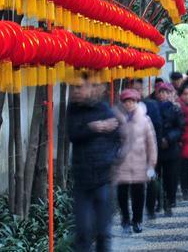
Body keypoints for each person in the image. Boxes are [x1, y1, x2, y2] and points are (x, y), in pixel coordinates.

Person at [67, 74, 121, 252]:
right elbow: (73, 135)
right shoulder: (72, 110)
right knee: (82, 230)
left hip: (102, 179)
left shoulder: (105, 110)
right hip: (82, 180)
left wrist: (111, 162)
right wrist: (93, 127)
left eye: (79, 87)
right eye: (74, 87)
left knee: (103, 232)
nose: (76, 91)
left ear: (92, 89)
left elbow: (116, 139)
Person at [112, 89, 156, 235]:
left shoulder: (145, 120)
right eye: (126, 102)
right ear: (122, 103)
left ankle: (137, 220)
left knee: (138, 193)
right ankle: (125, 219)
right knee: (122, 194)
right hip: (122, 162)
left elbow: (151, 143)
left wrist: (151, 164)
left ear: (137, 102)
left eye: (132, 101)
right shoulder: (116, 119)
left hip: (139, 162)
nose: (129, 104)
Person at [131, 78, 162, 219]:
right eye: (133, 90)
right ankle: (136, 216)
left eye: (138, 89)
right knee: (136, 185)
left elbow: (157, 129)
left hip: (148, 151)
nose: (136, 93)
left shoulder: (151, 105)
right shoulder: (123, 108)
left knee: (151, 179)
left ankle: (152, 205)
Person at [155, 82, 184, 216]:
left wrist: (168, 138)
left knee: (170, 177)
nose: (162, 95)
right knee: (155, 177)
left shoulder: (175, 109)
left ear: (170, 94)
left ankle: (169, 199)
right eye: (160, 92)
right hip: (155, 149)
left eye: (165, 92)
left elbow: (180, 129)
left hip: (171, 148)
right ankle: (157, 200)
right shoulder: (153, 108)